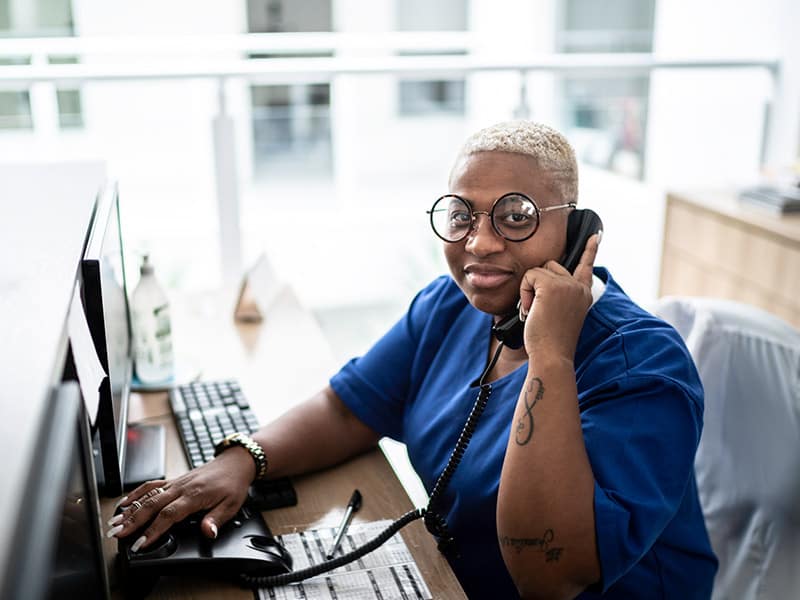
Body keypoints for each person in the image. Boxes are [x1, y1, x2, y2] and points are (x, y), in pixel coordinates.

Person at [111, 121, 717, 599]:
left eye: (515, 217)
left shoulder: (643, 367)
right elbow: (350, 409)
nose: (478, 242)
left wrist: (550, 357)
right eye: (461, 214)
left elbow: (547, 578)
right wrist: (244, 461)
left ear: (578, 229)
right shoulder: (454, 305)